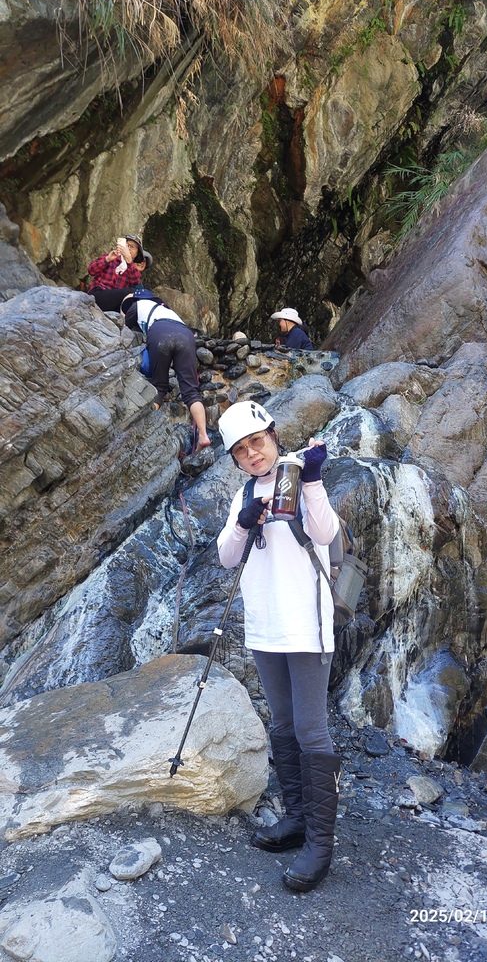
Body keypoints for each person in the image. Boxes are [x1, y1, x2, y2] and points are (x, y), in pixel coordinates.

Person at [217, 400, 340, 892]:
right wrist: (245, 520)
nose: (253, 454)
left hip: (307, 626)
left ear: (274, 435)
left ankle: (321, 845)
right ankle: (295, 820)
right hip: (265, 627)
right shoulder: (244, 494)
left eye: (258, 442)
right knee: (283, 724)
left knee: (312, 730)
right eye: (242, 451)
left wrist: (311, 480)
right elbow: (227, 557)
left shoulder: (302, 476)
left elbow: (327, 533)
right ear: (235, 459)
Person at [121, 290, 210, 448]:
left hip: (160, 332)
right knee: (190, 392)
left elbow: (124, 329)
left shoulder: (137, 305)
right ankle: (203, 435)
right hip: (185, 334)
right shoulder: (167, 310)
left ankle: (145, 432)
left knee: (159, 387)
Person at [87, 235, 146, 311]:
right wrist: (107, 259)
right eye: (127, 245)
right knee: (129, 292)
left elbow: (135, 281)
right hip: (98, 294)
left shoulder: (132, 268)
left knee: (136, 297)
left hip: (115, 301)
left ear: (137, 253)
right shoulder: (110, 256)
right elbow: (91, 270)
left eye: (133, 247)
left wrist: (128, 260)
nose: (129, 248)